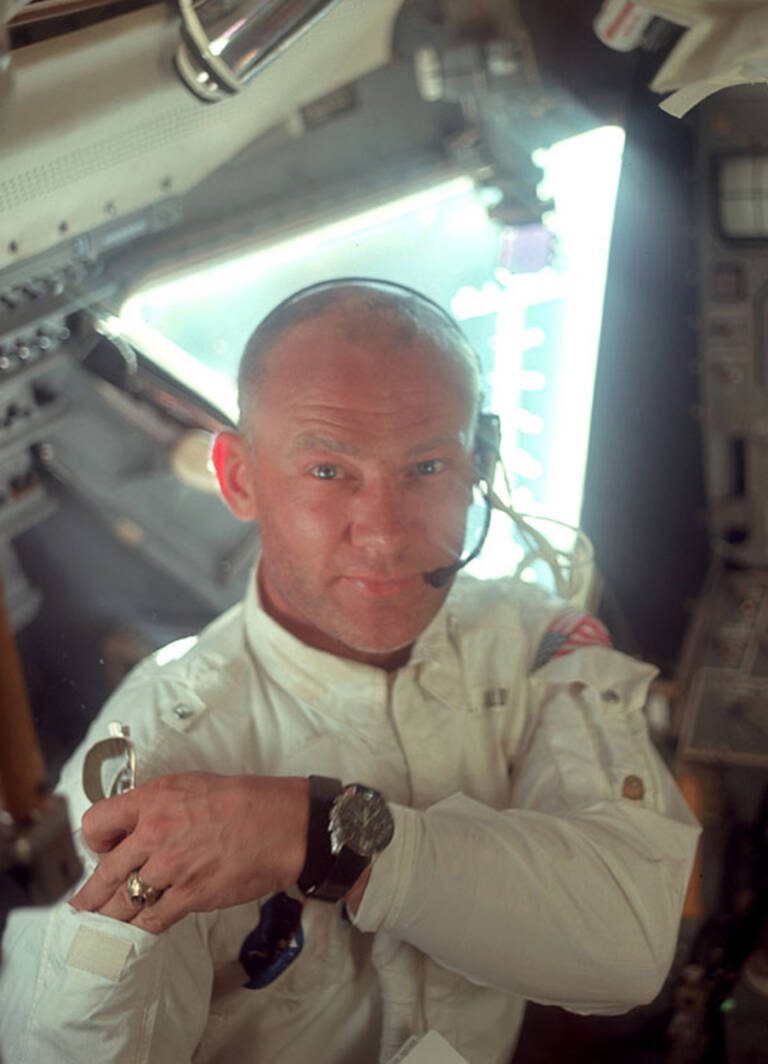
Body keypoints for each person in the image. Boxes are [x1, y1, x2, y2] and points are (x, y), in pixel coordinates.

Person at [0, 279, 700, 1064]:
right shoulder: (158, 753)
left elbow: (627, 947)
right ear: (239, 478)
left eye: (427, 466)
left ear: (480, 464)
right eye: (329, 472)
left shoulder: (530, 638)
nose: (386, 533)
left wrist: (318, 836)